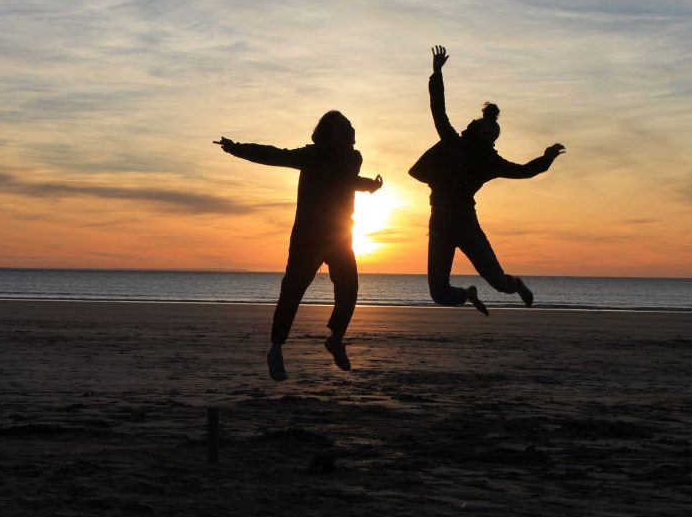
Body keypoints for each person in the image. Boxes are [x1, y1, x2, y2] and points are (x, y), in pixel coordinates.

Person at [214, 111, 382, 381]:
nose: (352, 130)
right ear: (331, 133)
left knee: (349, 288)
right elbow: (275, 155)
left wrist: (369, 185)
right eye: (346, 127)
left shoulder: (354, 157)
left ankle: (335, 339)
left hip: (340, 235)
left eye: (352, 126)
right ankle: (276, 349)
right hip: (308, 236)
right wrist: (236, 149)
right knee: (292, 291)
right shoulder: (312, 155)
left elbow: (344, 180)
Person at [409, 45, 565, 314]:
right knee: (439, 293)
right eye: (487, 130)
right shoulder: (452, 142)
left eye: (494, 134)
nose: (490, 136)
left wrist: (547, 158)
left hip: (467, 225)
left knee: (500, 283)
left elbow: (523, 171)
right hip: (439, 224)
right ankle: (466, 294)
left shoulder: (490, 162)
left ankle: (517, 285)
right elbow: (438, 108)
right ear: (477, 127)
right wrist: (436, 73)